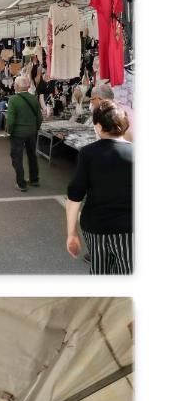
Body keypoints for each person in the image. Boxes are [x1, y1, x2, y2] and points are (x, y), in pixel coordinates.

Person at [65, 100, 133, 274]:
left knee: (99, 271)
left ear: (99, 126)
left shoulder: (87, 153)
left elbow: (75, 196)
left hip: (95, 226)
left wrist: (71, 233)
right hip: (129, 228)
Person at [5, 74, 43, 191]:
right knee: (32, 156)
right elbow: (39, 117)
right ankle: (34, 179)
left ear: (16, 86)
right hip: (31, 132)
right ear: (27, 86)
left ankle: (21, 183)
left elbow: (10, 120)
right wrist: (35, 128)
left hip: (18, 134)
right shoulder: (34, 98)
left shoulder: (13, 100)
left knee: (17, 157)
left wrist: (8, 131)